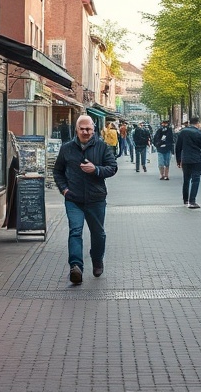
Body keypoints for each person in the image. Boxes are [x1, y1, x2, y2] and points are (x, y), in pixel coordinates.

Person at [53, 114, 118, 284]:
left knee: (98, 234)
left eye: (88, 129)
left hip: (96, 199)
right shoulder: (67, 148)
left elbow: (112, 168)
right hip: (73, 199)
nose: (85, 132)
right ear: (76, 130)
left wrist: (95, 169)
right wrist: (64, 190)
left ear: (93, 129)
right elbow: (57, 171)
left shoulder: (102, 147)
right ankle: (76, 267)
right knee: (75, 231)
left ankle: (97, 260)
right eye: (82, 129)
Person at [175, 115, 201, 209]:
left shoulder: (182, 132)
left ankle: (185, 199)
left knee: (186, 179)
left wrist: (178, 160)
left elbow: (178, 147)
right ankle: (192, 201)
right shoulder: (198, 132)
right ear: (197, 123)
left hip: (185, 158)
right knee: (195, 179)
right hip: (196, 159)